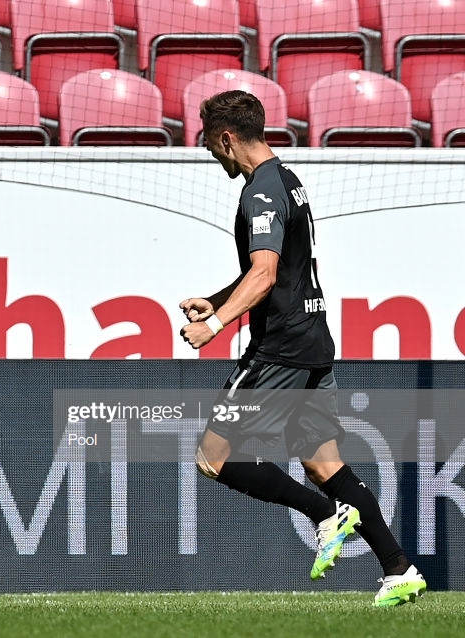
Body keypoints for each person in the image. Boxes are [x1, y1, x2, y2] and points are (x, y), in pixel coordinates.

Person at [179, 90, 425, 607]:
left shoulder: (261, 192)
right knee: (323, 464)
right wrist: (217, 298)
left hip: (280, 351)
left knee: (212, 457)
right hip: (314, 341)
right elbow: (276, 270)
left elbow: (266, 274)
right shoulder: (287, 179)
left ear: (225, 137)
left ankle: (324, 515)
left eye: (206, 139)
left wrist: (218, 322)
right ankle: (399, 568)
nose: (205, 149)